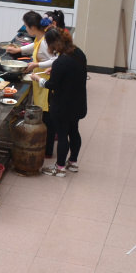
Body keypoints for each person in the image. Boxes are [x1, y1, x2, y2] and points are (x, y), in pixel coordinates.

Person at [8, 10, 61, 159]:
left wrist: (36, 64)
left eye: (25, 26)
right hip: (40, 79)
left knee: (47, 117)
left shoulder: (45, 41)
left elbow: (55, 60)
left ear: (32, 27)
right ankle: (46, 146)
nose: (25, 29)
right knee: (44, 114)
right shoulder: (40, 37)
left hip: (46, 81)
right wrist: (19, 49)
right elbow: (33, 46)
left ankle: (48, 150)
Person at [36, 27, 88, 176]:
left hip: (63, 105)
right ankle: (73, 162)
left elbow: (52, 85)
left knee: (62, 134)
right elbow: (74, 73)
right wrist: (55, 71)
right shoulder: (78, 53)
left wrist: (38, 79)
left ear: (53, 44)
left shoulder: (61, 62)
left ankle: (59, 168)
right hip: (78, 102)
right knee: (74, 131)